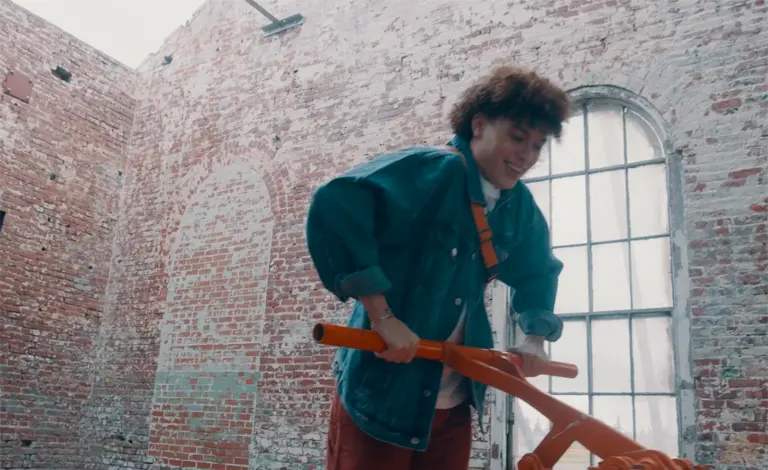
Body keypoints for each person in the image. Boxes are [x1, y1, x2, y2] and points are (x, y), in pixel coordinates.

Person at [305, 66, 570, 470]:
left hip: (454, 394)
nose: (526, 156)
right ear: (479, 125)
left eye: (536, 146)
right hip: (383, 390)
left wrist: (534, 338)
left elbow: (538, 269)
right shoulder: (432, 170)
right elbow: (336, 203)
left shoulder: (518, 205)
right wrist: (383, 316)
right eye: (518, 138)